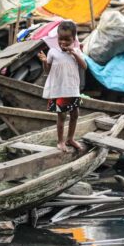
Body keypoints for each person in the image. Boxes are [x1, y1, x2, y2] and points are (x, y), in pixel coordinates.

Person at [37, 20, 87, 152]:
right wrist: (44, 62)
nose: (63, 42)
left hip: (72, 88)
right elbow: (48, 70)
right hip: (59, 88)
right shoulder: (53, 52)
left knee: (75, 114)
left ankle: (70, 138)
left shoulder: (76, 51)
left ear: (73, 39)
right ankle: (60, 141)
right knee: (62, 115)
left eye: (67, 40)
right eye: (61, 39)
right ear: (57, 37)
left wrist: (75, 53)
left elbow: (84, 66)